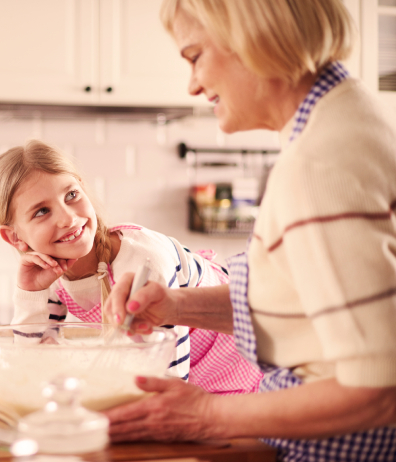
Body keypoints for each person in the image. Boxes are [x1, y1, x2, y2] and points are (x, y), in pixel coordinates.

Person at [102, 0, 396, 460]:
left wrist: (206, 416)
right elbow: (308, 303)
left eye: (195, 56)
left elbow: (379, 388)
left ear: (254, 35)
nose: (193, 84)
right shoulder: (350, 116)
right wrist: (174, 305)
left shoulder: (318, 166)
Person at [0, 139, 262, 394]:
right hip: (189, 377)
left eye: (71, 195)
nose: (68, 218)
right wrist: (29, 292)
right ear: (15, 237)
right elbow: (29, 366)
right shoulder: (50, 270)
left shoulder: (144, 261)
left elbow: (166, 382)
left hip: (240, 364)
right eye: (42, 211)